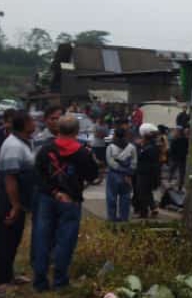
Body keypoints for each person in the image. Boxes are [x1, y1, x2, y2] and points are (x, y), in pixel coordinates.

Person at [32, 115, 98, 291]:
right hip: (71, 201)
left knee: (42, 239)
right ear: (77, 131)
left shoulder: (45, 150)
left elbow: (37, 175)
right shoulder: (83, 152)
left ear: (58, 130)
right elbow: (93, 175)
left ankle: (40, 282)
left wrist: (54, 192)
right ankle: (60, 281)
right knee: (65, 240)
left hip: (47, 199)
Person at [0, 112, 36, 291]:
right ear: (24, 124)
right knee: (6, 239)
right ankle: (2, 281)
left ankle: (9, 275)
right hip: (10, 199)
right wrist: (14, 205)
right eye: (32, 120)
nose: (35, 123)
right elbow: (10, 179)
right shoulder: (13, 146)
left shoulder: (24, 141)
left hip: (20, 199)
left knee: (14, 239)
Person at [106, 128, 137, 222]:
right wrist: (128, 172)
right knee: (125, 197)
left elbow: (110, 162)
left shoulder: (110, 147)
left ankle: (112, 218)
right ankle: (124, 218)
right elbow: (134, 163)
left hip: (113, 175)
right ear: (126, 136)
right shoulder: (131, 147)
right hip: (127, 176)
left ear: (115, 135)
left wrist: (119, 168)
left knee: (111, 197)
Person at [134, 124, 160, 218]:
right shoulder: (153, 147)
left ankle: (143, 212)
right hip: (149, 173)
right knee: (147, 192)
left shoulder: (148, 149)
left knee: (142, 193)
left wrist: (139, 147)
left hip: (145, 174)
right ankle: (153, 208)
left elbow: (140, 157)